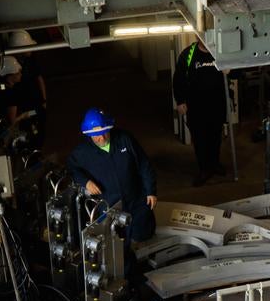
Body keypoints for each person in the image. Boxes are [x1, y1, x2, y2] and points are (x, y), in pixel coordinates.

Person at [67, 108, 158, 241]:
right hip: (109, 205)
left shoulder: (125, 139)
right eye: (97, 135)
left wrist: (151, 191)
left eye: (104, 132)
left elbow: (144, 164)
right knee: (115, 243)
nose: (102, 137)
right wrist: (85, 182)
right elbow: (72, 168)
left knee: (144, 235)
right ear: (88, 134)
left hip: (136, 199)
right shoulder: (82, 152)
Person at [173, 39, 229, 185]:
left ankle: (215, 164)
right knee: (200, 138)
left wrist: (230, 70)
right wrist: (180, 101)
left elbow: (236, 74)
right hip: (196, 106)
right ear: (198, 37)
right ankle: (204, 169)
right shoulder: (188, 54)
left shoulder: (220, 52)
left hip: (217, 104)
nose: (206, 40)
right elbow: (178, 78)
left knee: (215, 136)